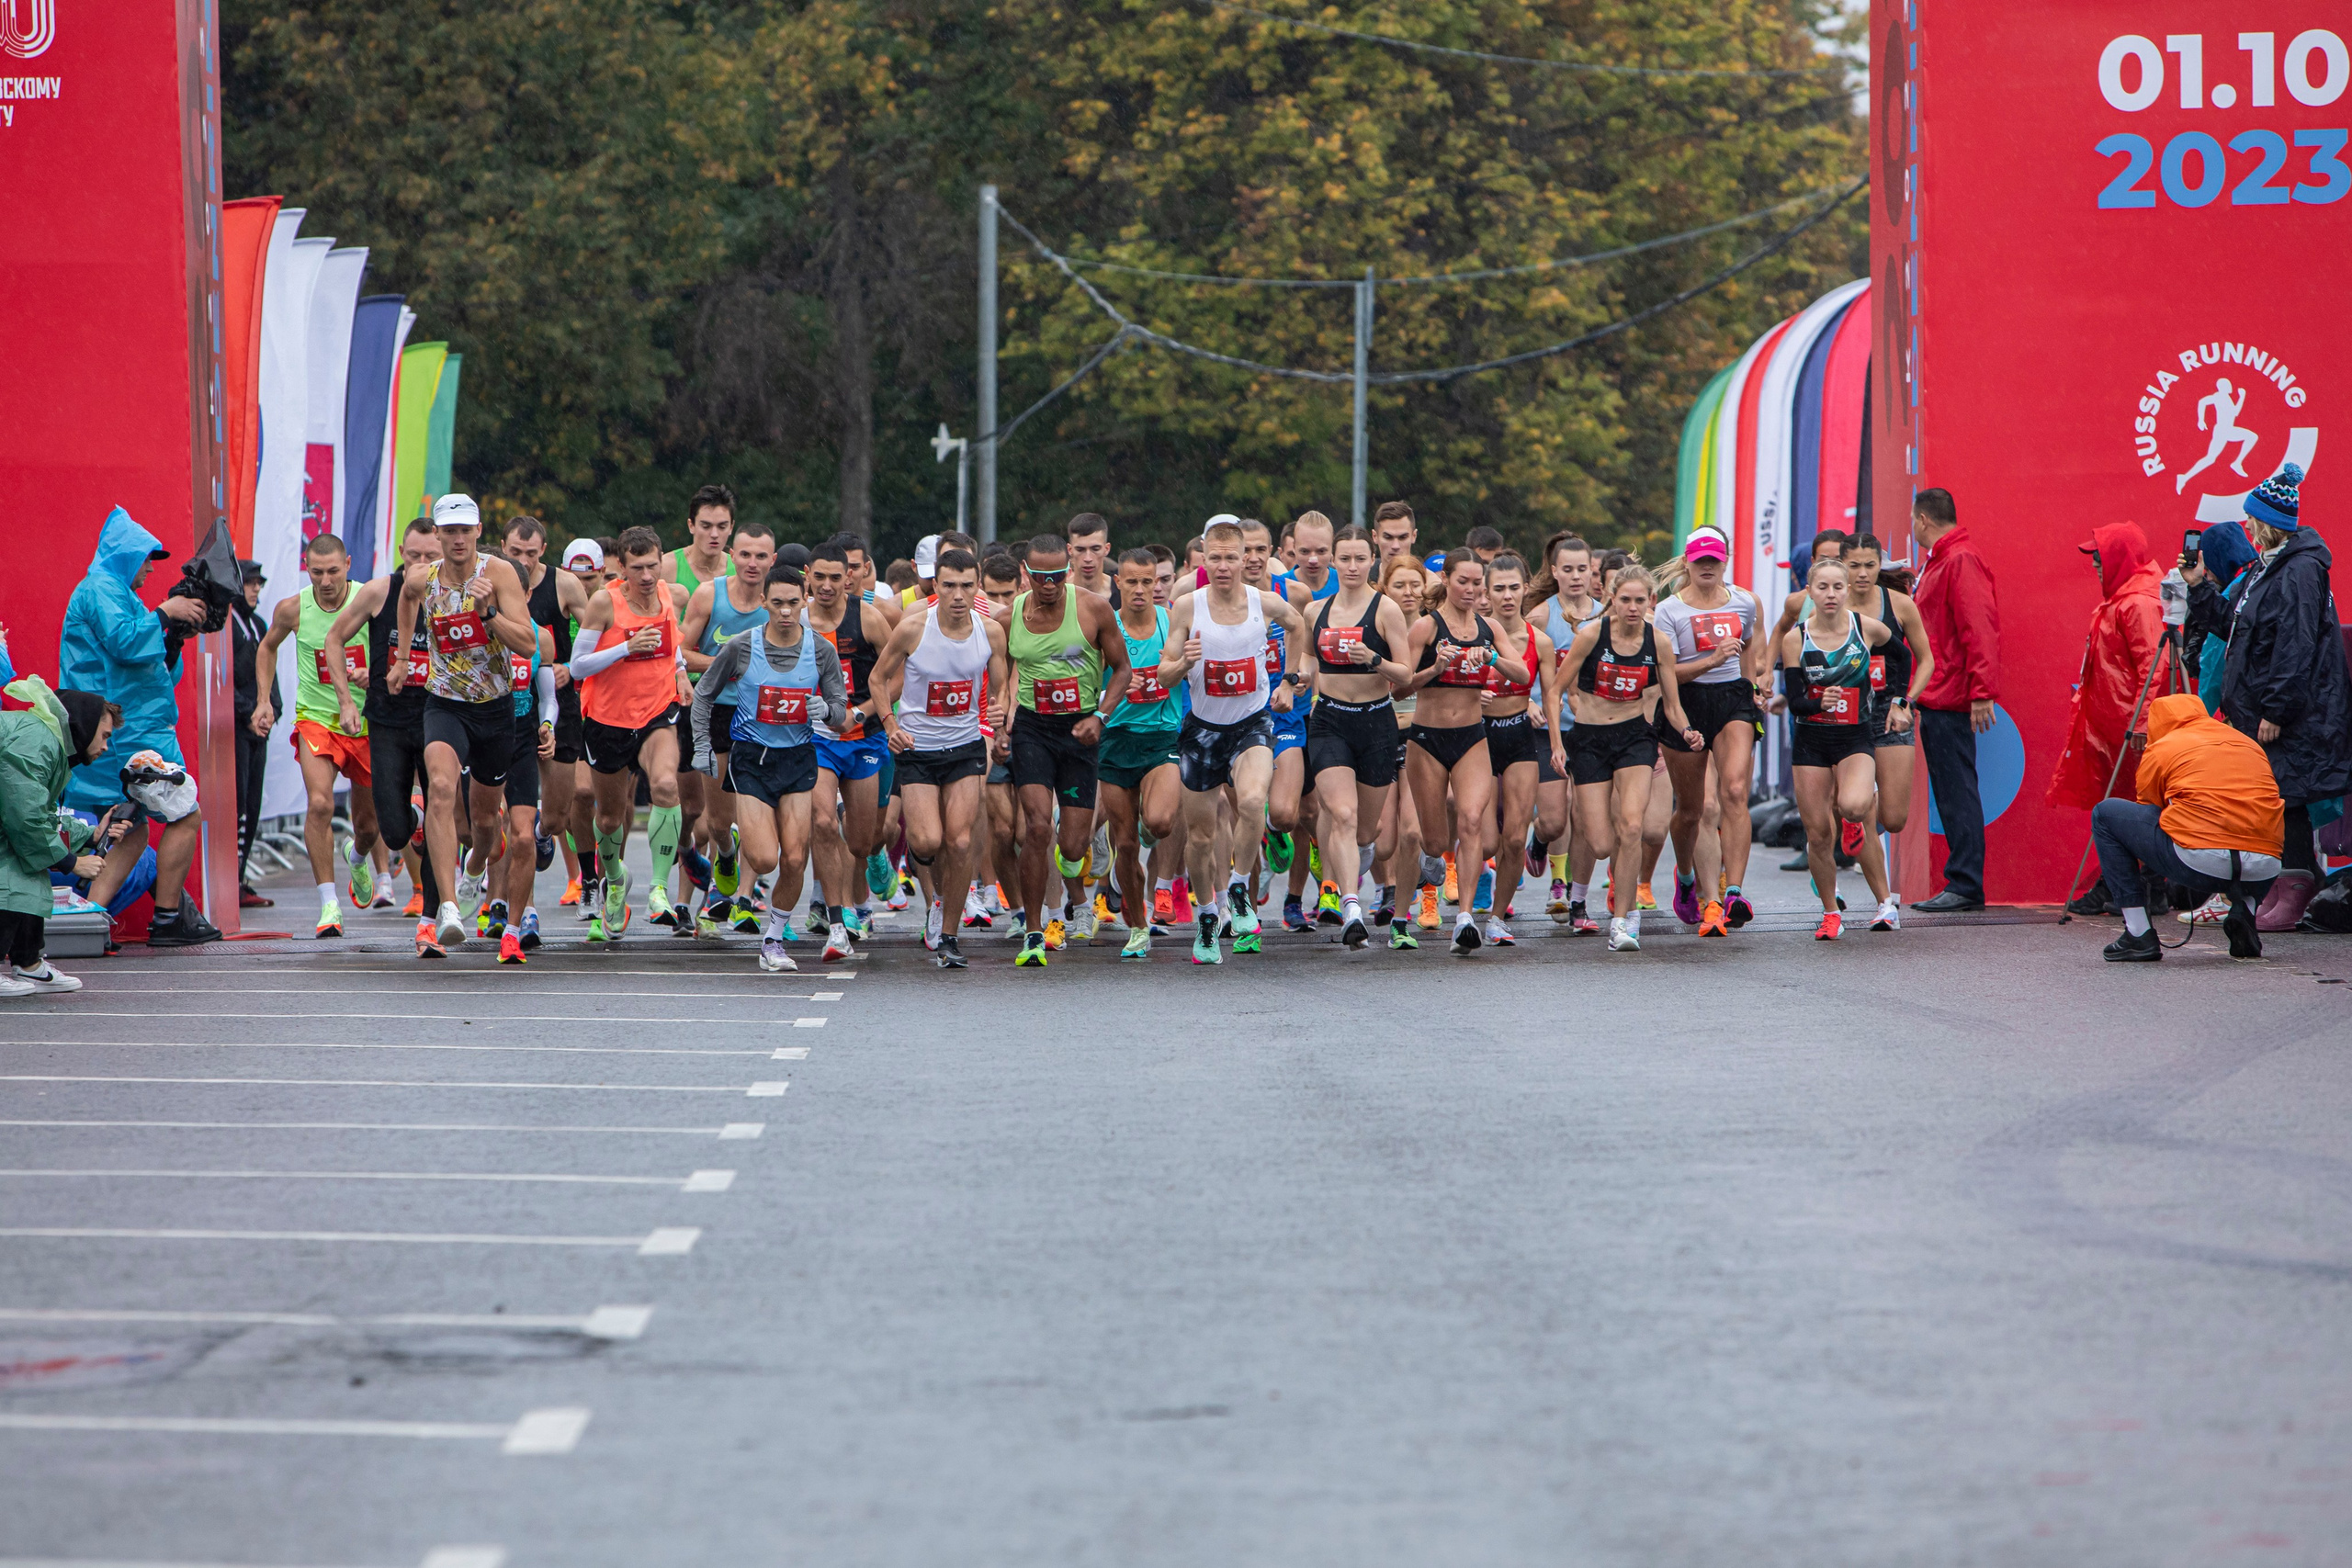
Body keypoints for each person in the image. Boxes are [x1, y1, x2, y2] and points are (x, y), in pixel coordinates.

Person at [2185, 464, 2352, 931]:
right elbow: (2239, 629)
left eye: (2251, 519)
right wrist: (2200, 589)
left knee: (2289, 797)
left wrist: (2277, 709)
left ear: (2267, 522)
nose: (2247, 527)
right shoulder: (2270, 567)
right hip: (2267, 710)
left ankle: (2296, 885)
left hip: (2291, 714)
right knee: (2276, 796)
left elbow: (2296, 644)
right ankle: (2286, 883)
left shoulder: (2299, 570)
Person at [61, 507, 220, 946]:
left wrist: (171, 638)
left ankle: (92, 915)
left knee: (130, 825)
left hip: (125, 730)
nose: (151, 568)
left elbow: (153, 667)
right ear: (127, 555)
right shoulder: (101, 590)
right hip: (128, 735)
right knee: (184, 813)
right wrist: (166, 614)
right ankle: (168, 917)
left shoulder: (113, 594)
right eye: (147, 558)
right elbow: (128, 643)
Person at [390, 494, 539, 952]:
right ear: (438, 534)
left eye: (465, 530)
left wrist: (489, 613)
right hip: (444, 704)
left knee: (484, 825)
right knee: (438, 786)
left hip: (494, 709)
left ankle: (474, 867)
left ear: (477, 532)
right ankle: (449, 907)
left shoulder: (499, 574)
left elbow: (530, 644)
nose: (457, 539)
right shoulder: (422, 576)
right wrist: (400, 659)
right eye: (448, 531)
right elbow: (406, 598)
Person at [1158, 518, 1309, 964]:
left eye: (1231, 558)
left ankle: (1240, 886)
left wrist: (1289, 681)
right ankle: (1207, 915)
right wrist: (1183, 663)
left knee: (1252, 801)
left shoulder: (1265, 602)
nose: (1223, 566)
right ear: (1204, 559)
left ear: (1245, 559)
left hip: (1252, 722)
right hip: (1203, 731)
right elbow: (1164, 673)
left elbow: (1298, 625)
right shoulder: (1187, 606)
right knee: (1201, 839)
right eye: (1215, 558)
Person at [692, 564, 851, 972]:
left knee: (796, 859)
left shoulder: (821, 650)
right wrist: (702, 746)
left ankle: (773, 941)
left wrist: (827, 710)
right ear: (763, 602)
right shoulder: (742, 646)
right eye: (776, 603)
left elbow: (840, 710)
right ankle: (740, 851)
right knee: (764, 859)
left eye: (793, 603)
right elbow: (703, 695)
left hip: (797, 760)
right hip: (752, 759)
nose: (784, 612)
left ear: (805, 602)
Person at [872, 547, 1007, 970]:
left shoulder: (990, 632)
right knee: (926, 841)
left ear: (977, 584)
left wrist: (1000, 715)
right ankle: (936, 896)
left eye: (967, 586)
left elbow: (1001, 685)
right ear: (936, 584)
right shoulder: (914, 628)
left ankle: (949, 935)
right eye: (948, 585)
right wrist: (891, 725)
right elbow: (878, 679)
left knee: (961, 840)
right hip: (918, 749)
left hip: (965, 746)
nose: (957, 595)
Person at [1002, 534, 1130, 966]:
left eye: (1057, 576)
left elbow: (1123, 669)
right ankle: (1035, 931)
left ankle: (1079, 850)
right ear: (1026, 573)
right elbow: (988, 665)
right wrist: (998, 714)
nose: (1049, 585)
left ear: (1068, 572)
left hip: (1080, 730)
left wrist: (1101, 717)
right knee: (1036, 828)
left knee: (1072, 848)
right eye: (1040, 577)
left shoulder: (1093, 609)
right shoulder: (1010, 616)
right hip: (1032, 729)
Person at [250, 534, 383, 938]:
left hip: (364, 723)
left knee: (369, 827)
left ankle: (357, 857)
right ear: (307, 569)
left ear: (348, 564)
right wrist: (264, 701)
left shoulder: (369, 602)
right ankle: (328, 904)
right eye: (316, 572)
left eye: (333, 571)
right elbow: (266, 648)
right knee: (321, 804)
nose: (325, 581)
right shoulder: (293, 609)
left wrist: (371, 675)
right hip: (316, 720)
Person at [569, 525, 695, 942]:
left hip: (657, 711)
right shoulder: (604, 603)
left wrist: (679, 671)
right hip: (607, 719)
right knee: (608, 816)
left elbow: (671, 643)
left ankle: (658, 890)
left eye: (653, 566)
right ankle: (615, 879)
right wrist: (626, 647)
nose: (646, 576)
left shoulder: (669, 595)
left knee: (664, 785)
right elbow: (578, 666)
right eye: (637, 567)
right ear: (619, 567)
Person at [1400, 552, 1529, 955]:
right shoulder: (1425, 627)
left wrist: (1492, 658)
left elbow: (1523, 676)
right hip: (1427, 740)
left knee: (1473, 821)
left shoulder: (1489, 628)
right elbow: (1399, 689)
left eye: (1478, 583)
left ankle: (1465, 919)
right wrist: (1435, 668)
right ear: (1446, 580)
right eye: (1464, 582)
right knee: (1435, 839)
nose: (1471, 590)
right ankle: (1429, 867)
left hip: (1472, 736)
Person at [1562, 564, 1696, 952]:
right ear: (1612, 600)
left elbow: (1672, 704)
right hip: (1588, 739)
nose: (1633, 607)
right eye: (1625, 600)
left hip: (1636, 736)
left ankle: (1623, 920)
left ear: (1651, 601)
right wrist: (1558, 742)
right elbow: (1557, 685)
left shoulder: (1659, 643)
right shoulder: (1591, 635)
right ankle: (1602, 894)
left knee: (1633, 827)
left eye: (1641, 600)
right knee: (1602, 843)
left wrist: (1686, 730)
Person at [324, 517, 444, 946]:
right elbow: (334, 640)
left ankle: (430, 922)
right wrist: (343, 701)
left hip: (441, 719)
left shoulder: (456, 595)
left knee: (440, 825)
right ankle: (407, 824)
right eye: (415, 556)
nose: (423, 565)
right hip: (389, 722)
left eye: (432, 557)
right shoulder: (379, 592)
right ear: (401, 554)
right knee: (393, 830)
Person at [2092, 694, 2282, 961]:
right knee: (2258, 834)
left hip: (2199, 863)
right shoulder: (2246, 742)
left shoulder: (2163, 746)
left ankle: (2138, 933)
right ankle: (2245, 911)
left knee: (2105, 814)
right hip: (2264, 868)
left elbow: (2149, 807)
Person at [2046, 522, 2166, 917]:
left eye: (2100, 555)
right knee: (2122, 804)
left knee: (2133, 806)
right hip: (2115, 727)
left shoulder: (2139, 603)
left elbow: (2154, 666)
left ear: (2119, 557)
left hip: (2130, 729)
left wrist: (2144, 723)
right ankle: (2127, 883)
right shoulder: (2124, 599)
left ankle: (2137, 885)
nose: (2095, 563)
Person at [1652, 530, 1764, 936]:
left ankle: (1731, 891)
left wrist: (1751, 686)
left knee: (1734, 792)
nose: (1707, 567)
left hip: (1732, 698)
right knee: (1692, 809)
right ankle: (1685, 878)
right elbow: (1666, 674)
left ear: (1726, 561)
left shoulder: (1744, 601)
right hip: (1686, 703)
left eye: (1714, 560)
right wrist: (1712, 659)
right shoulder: (1668, 610)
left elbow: (1750, 644)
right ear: (1687, 562)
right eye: (1700, 560)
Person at [1780, 557, 1898, 940]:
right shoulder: (1796, 638)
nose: (1830, 595)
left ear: (1847, 590)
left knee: (1854, 806)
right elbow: (1795, 702)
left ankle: (1885, 906)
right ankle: (1831, 912)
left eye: (1837, 587)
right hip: (1811, 740)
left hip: (1854, 736)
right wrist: (1819, 703)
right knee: (1817, 834)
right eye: (1822, 588)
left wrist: (1899, 701)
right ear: (1809, 593)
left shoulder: (1865, 628)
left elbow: (1903, 656)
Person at [680, 520, 778, 934]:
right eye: (745, 555)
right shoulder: (710, 594)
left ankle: (740, 897)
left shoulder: (781, 604)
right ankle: (724, 853)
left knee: (755, 811)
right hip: (716, 711)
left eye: (761, 556)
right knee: (718, 820)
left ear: (773, 561)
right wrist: (728, 665)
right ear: (731, 557)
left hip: (764, 717)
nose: (752, 563)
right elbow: (681, 651)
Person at [1908, 487, 1999, 911]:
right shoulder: (1945, 559)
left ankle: (1964, 883)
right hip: (1943, 692)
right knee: (1951, 789)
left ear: (1923, 519)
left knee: (1956, 789)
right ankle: (1962, 880)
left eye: (1913, 521)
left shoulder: (1958, 560)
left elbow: (1978, 628)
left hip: (1950, 694)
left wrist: (1982, 691)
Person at [1099, 548, 1185, 960]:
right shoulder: (1106, 627)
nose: (1139, 590)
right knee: (1127, 844)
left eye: (1147, 582)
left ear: (1158, 584)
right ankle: (1137, 925)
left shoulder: (1172, 624)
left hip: (1162, 737)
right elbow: (1085, 689)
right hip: (1116, 741)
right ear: (1117, 582)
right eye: (1130, 581)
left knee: (1161, 821)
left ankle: (1151, 824)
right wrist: (1111, 694)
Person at [1469, 552, 1558, 948]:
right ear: (1486, 592)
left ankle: (1495, 919)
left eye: (1514, 588)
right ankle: (1469, 904)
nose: (1507, 596)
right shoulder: (1471, 633)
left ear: (1526, 588)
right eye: (1499, 589)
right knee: (1485, 839)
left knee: (1513, 838)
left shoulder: (1540, 640)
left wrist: (1556, 744)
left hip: (1521, 735)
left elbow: (1552, 696)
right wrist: (1475, 696)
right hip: (1480, 738)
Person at [0, 677, 109, 996]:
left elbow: (40, 816)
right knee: (13, 871)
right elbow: (25, 818)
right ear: (85, 725)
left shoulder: (48, 742)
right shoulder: (38, 741)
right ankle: (27, 963)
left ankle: (29, 964)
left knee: (26, 864)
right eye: (104, 736)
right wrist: (72, 862)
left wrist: (92, 835)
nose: (105, 746)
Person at [230, 558, 278, 908]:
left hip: (258, 730)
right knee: (238, 804)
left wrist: (272, 710)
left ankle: (241, 878)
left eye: (259, 584)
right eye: (249, 583)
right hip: (234, 728)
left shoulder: (260, 625)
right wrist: (247, 714)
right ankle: (229, 880)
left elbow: (272, 677)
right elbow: (220, 680)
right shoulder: (225, 627)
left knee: (253, 804)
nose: (255, 589)